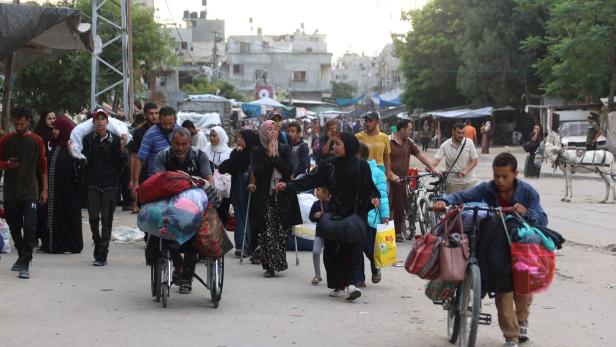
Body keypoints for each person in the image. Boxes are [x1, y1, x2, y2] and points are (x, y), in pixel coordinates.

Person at [433, 152, 548, 347]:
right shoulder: (487, 189)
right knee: (503, 288)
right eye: (497, 175)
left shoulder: (528, 193)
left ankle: (522, 321)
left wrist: (526, 212)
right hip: (494, 247)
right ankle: (510, 336)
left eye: (505, 176)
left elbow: (542, 218)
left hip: (521, 249)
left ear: (515, 174)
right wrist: (445, 200)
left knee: (523, 289)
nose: (500, 181)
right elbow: (462, 196)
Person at [278, 132, 380, 301]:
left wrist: (374, 198)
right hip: (335, 212)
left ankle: (352, 284)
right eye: (333, 144)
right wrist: (289, 185)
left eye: (338, 144)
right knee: (332, 250)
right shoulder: (328, 165)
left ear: (348, 145)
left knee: (353, 249)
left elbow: (370, 188)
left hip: (355, 213)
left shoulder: (362, 166)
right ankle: (338, 285)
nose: (333, 147)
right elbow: (310, 180)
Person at [151, 127, 216, 294]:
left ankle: (187, 277)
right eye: (177, 144)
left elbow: (208, 179)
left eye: (184, 144)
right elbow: (157, 182)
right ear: (171, 142)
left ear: (190, 143)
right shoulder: (163, 156)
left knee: (195, 237)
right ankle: (178, 265)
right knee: (161, 235)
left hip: (194, 207)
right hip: (169, 204)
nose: (180, 148)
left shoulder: (199, 156)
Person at [0, 107, 48, 279]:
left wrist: (45, 189)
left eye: (22, 124)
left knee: (30, 226)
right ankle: (21, 254)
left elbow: (43, 167)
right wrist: (7, 165)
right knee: (14, 226)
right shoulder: (5, 140)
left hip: (30, 191)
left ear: (28, 122)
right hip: (11, 191)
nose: (19, 127)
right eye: (16, 123)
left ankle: (26, 262)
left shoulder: (37, 140)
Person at [247, 120, 296, 277]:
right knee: (267, 230)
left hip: (282, 195)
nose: (273, 132)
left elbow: (288, 171)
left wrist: (276, 157)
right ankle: (269, 266)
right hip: (265, 195)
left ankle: (279, 262)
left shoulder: (285, 148)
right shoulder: (257, 151)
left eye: (275, 129)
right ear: (262, 132)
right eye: (269, 129)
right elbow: (259, 173)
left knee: (281, 231)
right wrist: (269, 156)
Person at [82, 109, 127, 266]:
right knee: (94, 218)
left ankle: (102, 253)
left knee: (107, 219)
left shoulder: (115, 141)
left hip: (110, 185)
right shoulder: (88, 140)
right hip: (93, 183)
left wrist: (122, 149)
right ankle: (97, 240)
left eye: (102, 119)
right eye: (97, 119)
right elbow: (84, 160)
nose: (100, 122)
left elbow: (121, 164)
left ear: (107, 122)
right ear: (93, 123)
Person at [389, 119, 441, 241]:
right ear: (402, 129)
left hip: (403, 179)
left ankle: (398, 231)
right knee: (389, 205)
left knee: (400, 203)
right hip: (389, 179)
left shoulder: (409, 142)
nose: (411, 132)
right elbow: (382, 160)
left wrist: (432, 168)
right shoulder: (387, 141)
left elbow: (419, 155)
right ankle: (388, 231)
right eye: (410, 129)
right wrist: (391, 174)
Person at [40, 117, 83, 254]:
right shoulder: (53, 147)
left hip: (67, 193)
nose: (54, 131)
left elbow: (80, 171)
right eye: (53, 128)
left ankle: (69, 244)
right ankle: (52, 244)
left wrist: (74, 155)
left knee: (67, 217)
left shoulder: (72, 148)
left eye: (57, 129)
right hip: (53, 193)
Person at [219, 128, 259, 257]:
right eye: (238, 137)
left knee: (248, 215)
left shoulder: (255, 154)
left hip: (250, 187)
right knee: (240, 215)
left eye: (242, 138)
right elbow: (224, 168)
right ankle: (242, 246)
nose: (239, 140)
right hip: (238, 187)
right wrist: (237, 154)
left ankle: (249, 245)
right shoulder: (237, 153)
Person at [356, 143, 389, 287]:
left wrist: (385, 215)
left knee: (368, 248)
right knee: (357, 247)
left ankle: (375, 266)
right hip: (356, 216)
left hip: (372, 218)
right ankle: (359, 278)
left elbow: (382, 195)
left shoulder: (377, 172)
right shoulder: (351, 170)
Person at [132, 105, 177, 197]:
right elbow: (140, 158)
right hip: (156, 179)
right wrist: (135, 183)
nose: (168, 126)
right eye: (165, 123)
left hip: (176, 180)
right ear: (159, 119)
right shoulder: (150, 134)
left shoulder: (180, 131)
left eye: (170, 123)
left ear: (175, 120)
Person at [432, 122, 479, 193]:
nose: (461, 135)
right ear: (453, 131)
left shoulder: (469, 143)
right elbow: (436, 160)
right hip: (452, 183)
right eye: (458, 133)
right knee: (453, 204)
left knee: (471, 203)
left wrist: (465, 171)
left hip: (469, 182)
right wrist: (431, 167)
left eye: (463, 133)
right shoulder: (445, 145)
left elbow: (474, 161)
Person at [128, 102, 159, 209]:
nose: (154, 116)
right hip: (143, 174)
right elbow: (134, 156)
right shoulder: (139, 133)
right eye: (151, 113)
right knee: (145, 206)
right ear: (145, 115)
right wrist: (133, 180)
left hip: (160, 173)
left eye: (156, 113)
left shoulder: (165, 129)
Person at [33, 109, 57, 245]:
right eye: (49, 118)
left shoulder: (57, 135)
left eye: (54, 118)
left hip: (53, 176)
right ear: (44, 120)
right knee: (39, 208)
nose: (53, 121)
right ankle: (35, 235)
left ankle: (46, 236)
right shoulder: (38, 136)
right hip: (39, 176)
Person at [205, 126, 233, 225]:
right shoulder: (206, 150)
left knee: (222, 217)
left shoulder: (229, 152)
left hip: (224, 191)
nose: (211, 138)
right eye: (210, 136)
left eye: (214, 136)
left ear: (221, 136)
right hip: (210, 191)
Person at [355, 111, 392, 178]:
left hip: (380, 174)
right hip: (363, 174)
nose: (367, 123)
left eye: (370, 121)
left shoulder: (384, 137)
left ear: (377, 122)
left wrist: (388, 172)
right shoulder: (358, 137)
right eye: (366, 121)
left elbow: (386, 157)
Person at [308, 186, 331, 285]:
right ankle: (317, 275)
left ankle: (332, 276)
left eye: (318, 190)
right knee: (316, 252)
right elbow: (310, 217)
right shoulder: (316, 204)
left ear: (325, 192)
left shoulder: (332, 204)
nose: (316, 192)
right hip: (320, 232)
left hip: (331, 233)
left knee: (330, 256)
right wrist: (315, 216)